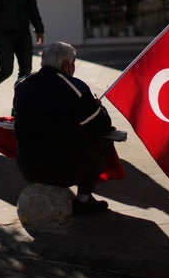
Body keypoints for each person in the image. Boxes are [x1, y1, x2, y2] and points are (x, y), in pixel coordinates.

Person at [13, 42, 115, 215]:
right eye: (74, 62)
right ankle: (83, 199)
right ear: (66, 65)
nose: (74, 67)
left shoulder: (22, 84)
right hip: (62, 171)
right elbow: (101, 126)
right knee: (102, 140)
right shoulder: (75, 88)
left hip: (27, 167)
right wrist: (98, 107)